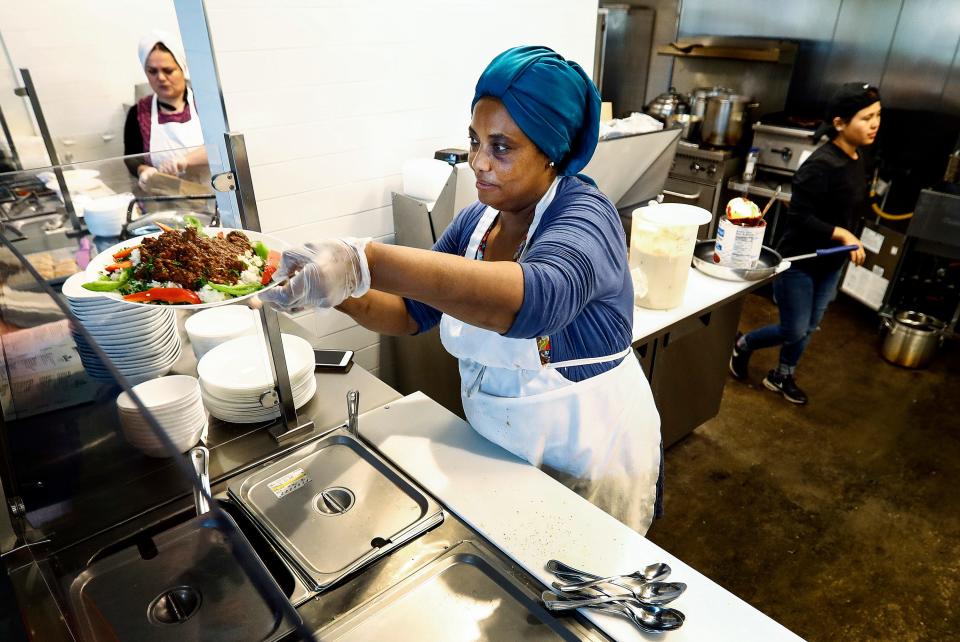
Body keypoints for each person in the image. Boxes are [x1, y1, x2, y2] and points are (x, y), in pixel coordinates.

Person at [259, 46, 663, 534]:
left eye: (502, 148)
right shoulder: (479, 221)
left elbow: (536, 299)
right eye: (474, 141)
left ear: (553, 151)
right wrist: (334, 290)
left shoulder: (587, 217)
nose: (478, 163)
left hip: (586, 458)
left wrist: (364, 260)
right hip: (500, 449)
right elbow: (410, 312)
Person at [729, 82, 881, 405]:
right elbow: (798, 217)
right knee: (794, 329)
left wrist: (850, 238)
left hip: (831, 263)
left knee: (811, 325)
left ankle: (782, 375)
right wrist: (842, 234)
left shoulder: (857, 159)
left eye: (877, 116)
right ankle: (742, 345)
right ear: (840, 123)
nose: (874, 124)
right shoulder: (820, 165)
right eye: (866, 118)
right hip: (799, 261)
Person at [123, 31, 206, 188]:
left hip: (214, 199)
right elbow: (131, 158)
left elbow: (222, 147)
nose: (160, 78)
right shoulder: (139, 112)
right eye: (152, 71)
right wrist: (143, 170)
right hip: (165, 200)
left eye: (168, 70)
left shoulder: (205, 105)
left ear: (182, 68)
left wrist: (184, 160)